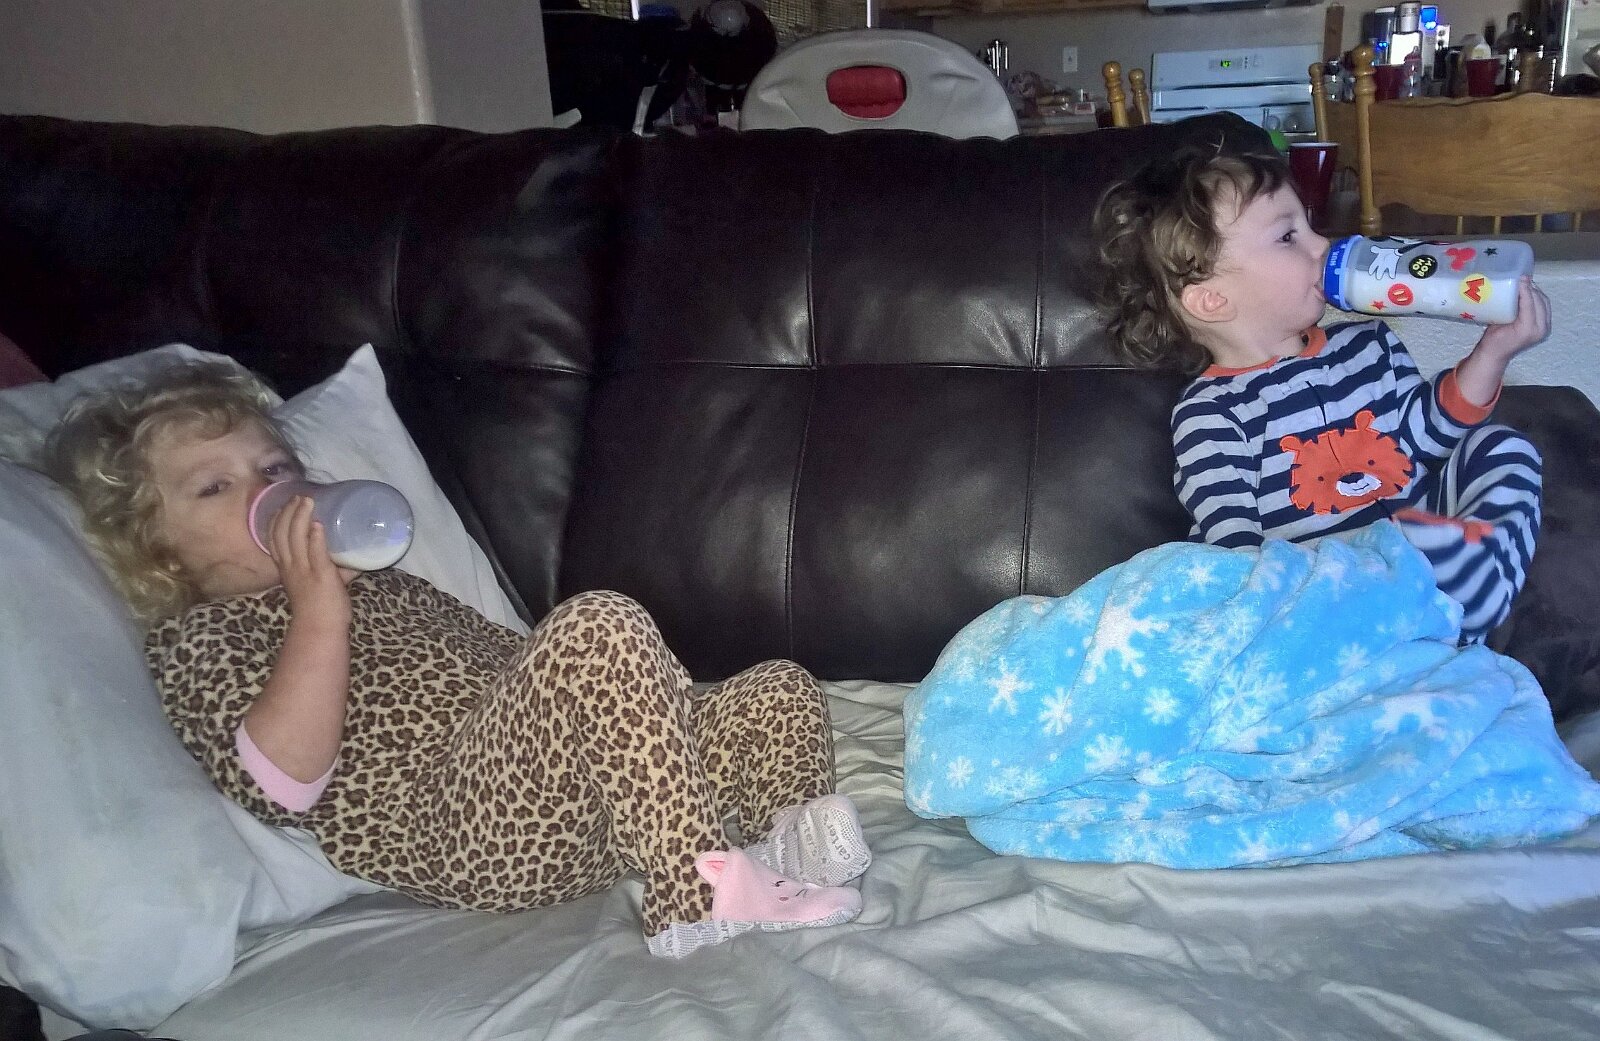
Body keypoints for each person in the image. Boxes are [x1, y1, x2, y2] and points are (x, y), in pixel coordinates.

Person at [47, 361, 871, 959]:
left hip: (601, 809)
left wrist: (650, 715)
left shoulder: (384, 583)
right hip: (472, 831)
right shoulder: (204, 637)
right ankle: (694, 894)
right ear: (158, 546)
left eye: (274, 468)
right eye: (214, 487)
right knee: (595, 624)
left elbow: (512, 668)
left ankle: (789, 846)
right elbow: (280, 785)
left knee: (779, 687)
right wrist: (319, 613)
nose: (266, 492)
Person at [1091, 145, 1551, 643]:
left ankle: (1467, 593)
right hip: (1329, 607)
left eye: (1310, 225)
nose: (1323, 245)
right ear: (1213, 300)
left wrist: (1495, 352)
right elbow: (1233, 549)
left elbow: (1429, 437)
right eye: (1288, 236)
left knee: (1502, 448)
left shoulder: (1370, 344)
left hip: (1425, 563)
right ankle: (1427, 607)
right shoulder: (1210, 414)